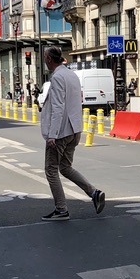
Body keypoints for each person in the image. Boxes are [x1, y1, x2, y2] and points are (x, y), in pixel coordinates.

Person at [39, 46, 105, 221]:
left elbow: (58, 107)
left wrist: (52, 134)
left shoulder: (58, 77)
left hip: (61, 131)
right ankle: (94, 192)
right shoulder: (72, 75)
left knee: (51, 170)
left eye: (45, 58)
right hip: (74, 129)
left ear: (49, 59)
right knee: (65, 168)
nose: (45, 61)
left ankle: (61, 209)